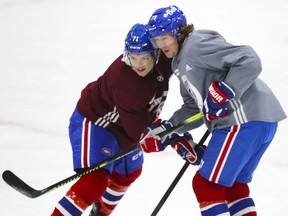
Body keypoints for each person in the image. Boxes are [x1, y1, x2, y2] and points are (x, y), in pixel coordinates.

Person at [140, 5, 287, 216]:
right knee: (233, 187)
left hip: (242, 120)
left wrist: (225, 90)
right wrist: (168, 129)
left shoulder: (195, 44)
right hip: (259, 120)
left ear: (178, 31)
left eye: (164, 37)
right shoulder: (179, 63)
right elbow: (194, 107)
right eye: (156, 40)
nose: (160, 45)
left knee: (206, 186)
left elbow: (249, 59)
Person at [50, 23, 173, 216]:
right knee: (94, 181)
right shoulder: (126, 85)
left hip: (125, 125)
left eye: (144, 58)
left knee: (128, 172)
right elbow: (138, 132)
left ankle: (100, 213)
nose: (138, 65)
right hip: (96, 122)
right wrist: (172, 137)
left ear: (156, 54)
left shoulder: (163, 59)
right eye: (133, 58)